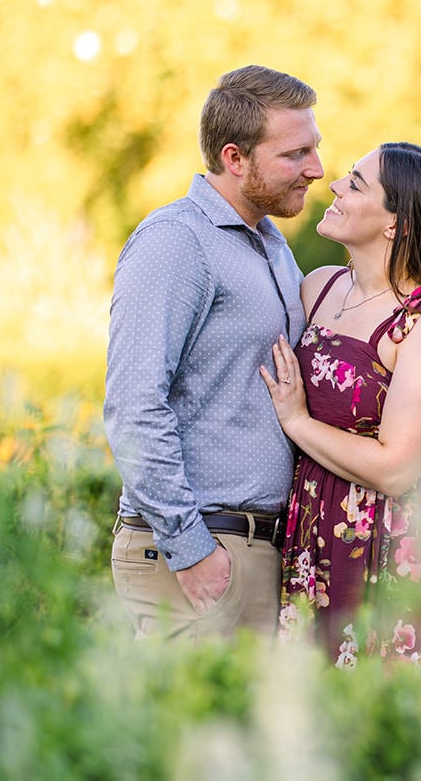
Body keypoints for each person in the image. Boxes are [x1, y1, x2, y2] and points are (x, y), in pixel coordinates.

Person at [104, 65, 320, 640]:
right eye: (295, 154)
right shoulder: (175, 243)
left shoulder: (271, 245)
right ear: (235, 157)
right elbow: (132, 408)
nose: (316, 170)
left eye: (314, 150)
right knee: (191, 731)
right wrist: (191, 548)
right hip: (199, 549)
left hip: (259, 548)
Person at [261, 141, 421, 666]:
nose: (334, 187)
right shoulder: (316, 289)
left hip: (394, 532)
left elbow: (395, 470)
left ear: (396, 224)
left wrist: (296, 420)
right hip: (312, 522)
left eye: (356, 184)